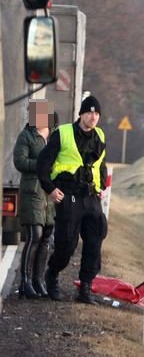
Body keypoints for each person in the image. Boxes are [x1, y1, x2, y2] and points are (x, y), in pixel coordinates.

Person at [36, 95, 108, 304]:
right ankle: (52, 275)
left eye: (97, 114)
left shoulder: (100, 135)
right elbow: (43, 164)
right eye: (90, 113)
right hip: (69, 196)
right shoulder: (63, 133)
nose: (93, 117)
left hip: (91, 196)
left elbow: (101, 165)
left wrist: (101, 187)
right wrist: (50, 189)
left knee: (95, 241)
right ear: (81, 114)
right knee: (67, 243)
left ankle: (85, 288)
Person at [12, 100, 55, 298]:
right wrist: (42, 164)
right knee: (34, 236)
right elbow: (20, 162)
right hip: (32, 191)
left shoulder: (54, 136)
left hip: (49, 193)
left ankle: (38, 281)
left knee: (46, 237)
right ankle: (25, 282)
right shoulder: (26, 136)